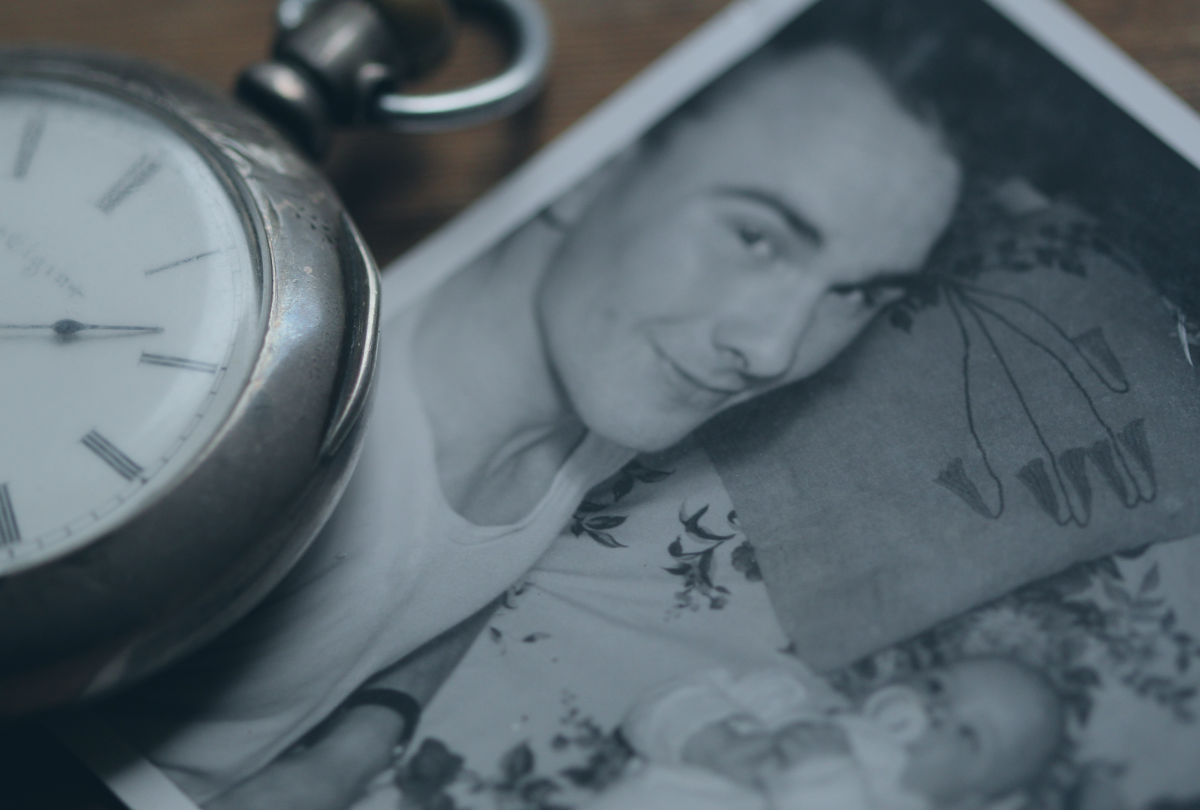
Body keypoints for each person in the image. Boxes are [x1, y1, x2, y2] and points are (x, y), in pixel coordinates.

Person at [104, 42, 962, 810]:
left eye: (858, 294)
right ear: (595, 166)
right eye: (758, 238)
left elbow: (457, 574)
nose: (773, 349)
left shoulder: (620, 392)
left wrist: (359, 743)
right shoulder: (297, 415)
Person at [590, 657, 1065, 810]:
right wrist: (707, 741)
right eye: (938, 687)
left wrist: (824, 777)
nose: (936, 712)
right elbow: (659, 705)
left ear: (969, 800)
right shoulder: (789, 702)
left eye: (967, 735)